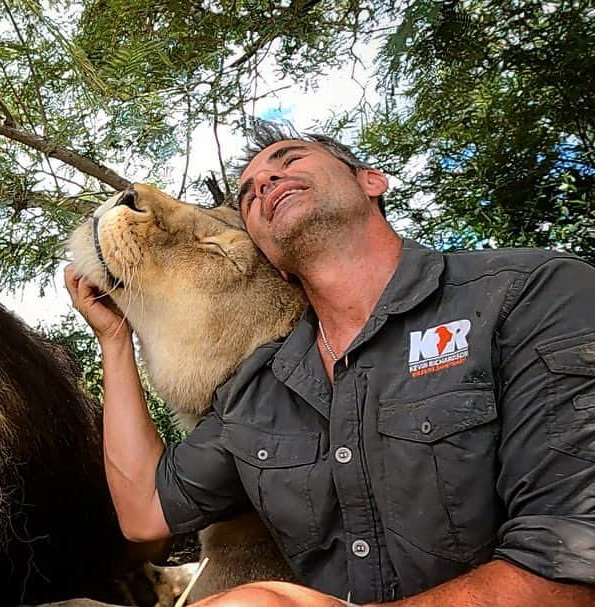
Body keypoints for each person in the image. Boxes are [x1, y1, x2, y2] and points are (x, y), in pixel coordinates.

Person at [64, 121, 595, 607]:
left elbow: (573, 566)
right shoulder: (262, 386)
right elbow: (145, 514)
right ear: (268, 256)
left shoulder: (530, 291)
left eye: (290, 159)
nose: (266, 179)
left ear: (371, 180)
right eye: (248, 195)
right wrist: (114, 340)